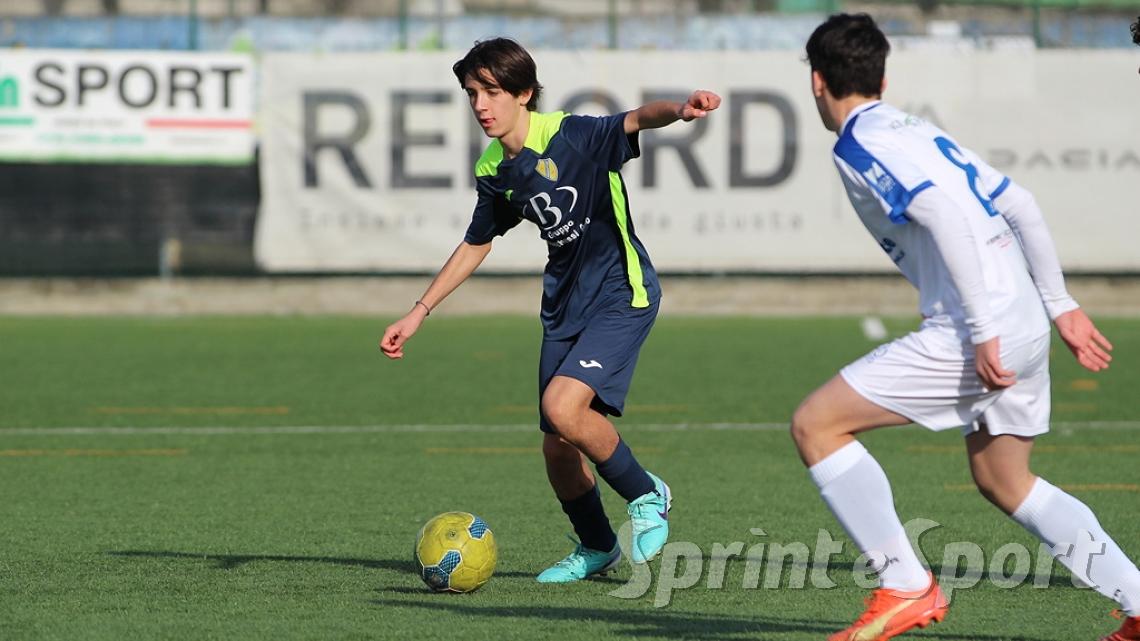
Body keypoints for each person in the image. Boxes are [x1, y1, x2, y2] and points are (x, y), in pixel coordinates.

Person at [794, 13, 1140, 641]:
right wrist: (1059, 304)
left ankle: (904, 585)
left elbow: (946, 219)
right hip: (1024, 317)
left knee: (817, 425)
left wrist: (982, 331)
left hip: (980, 330)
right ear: (882, 78)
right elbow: (1020, 204)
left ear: (817, 81)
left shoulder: (859, 144)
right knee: (1005, 480)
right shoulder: (914, 127)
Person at [380, 37, 721, 583]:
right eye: (472, 93)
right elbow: (476, 242)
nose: (481, 105)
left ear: (524, 93)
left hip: (621, 292)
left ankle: (647, 494)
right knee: (558, 449)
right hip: (564, 308)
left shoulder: (573, 135)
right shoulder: (495, 168)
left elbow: (638, 118)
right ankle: (598, 547)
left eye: (492, 92)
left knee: (563, 408)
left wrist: (680, 109)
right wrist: (418, 311)